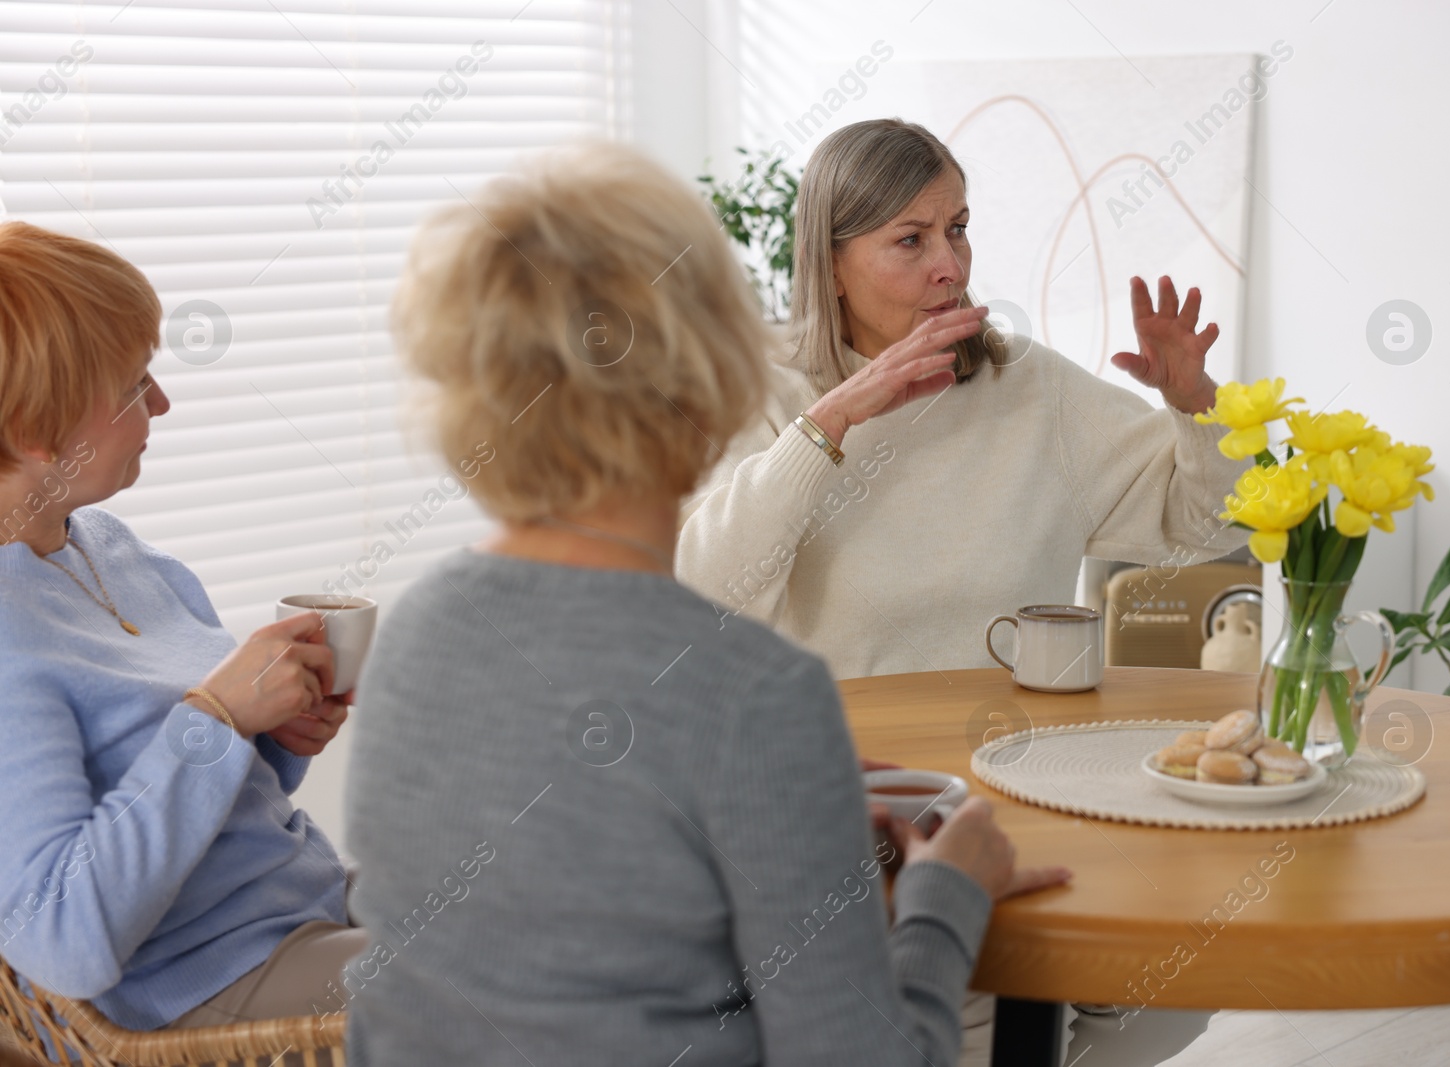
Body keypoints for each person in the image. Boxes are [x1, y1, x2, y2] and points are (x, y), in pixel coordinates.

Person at [340, 140, 1068, 1067]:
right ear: (714, 374)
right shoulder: (757, 691)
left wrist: (796, 839)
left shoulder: (417, 632)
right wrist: (947, 898)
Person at [674, 118, 1251, 1064]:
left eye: (960, 228)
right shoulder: (763, 396)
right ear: (830, 265)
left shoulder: (1031, 390)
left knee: (1177, 973)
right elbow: (707, 588)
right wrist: (834, 421)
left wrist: (1197, 407)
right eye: (911, 239)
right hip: (841, 816)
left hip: (1021, 793)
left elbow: (1200, 524)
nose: (951, 264)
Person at [0, 222, 365, 1039]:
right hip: (210, 978)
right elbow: (62, 940)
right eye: (134, 387)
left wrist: (277, 738)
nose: (161, 402)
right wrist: (218, 718)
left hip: (304, 905)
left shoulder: (117, 551)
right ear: (35, 428)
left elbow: (201, 793)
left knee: (597, 914)